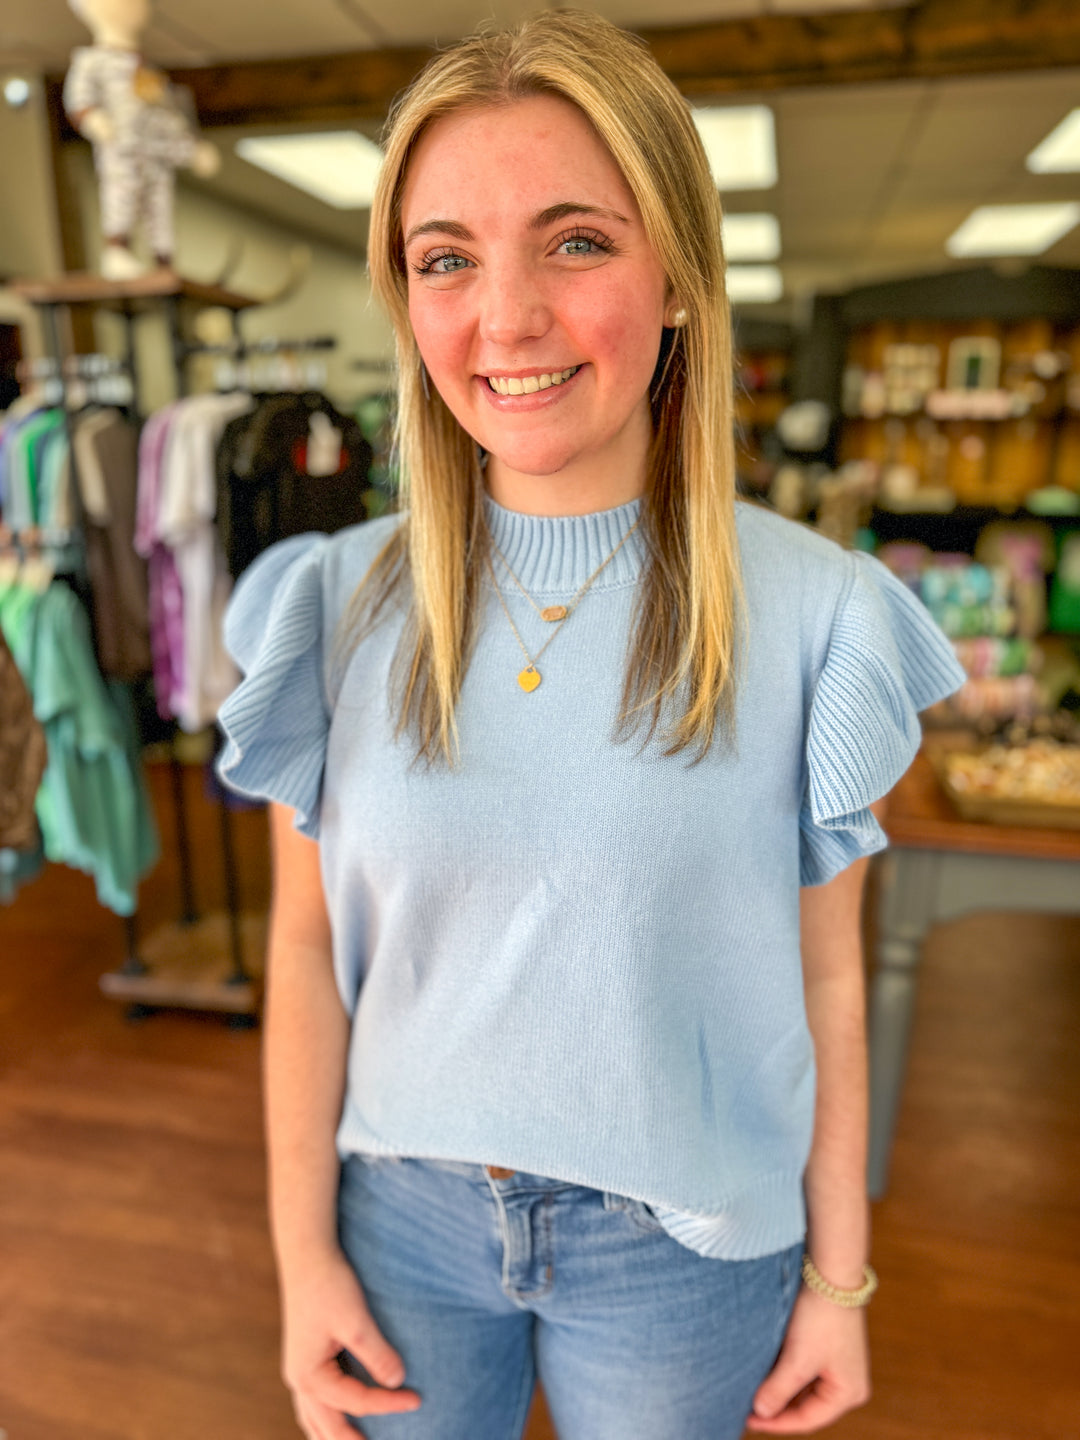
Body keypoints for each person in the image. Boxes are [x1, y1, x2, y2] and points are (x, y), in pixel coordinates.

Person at [216, 12, 965, 1440]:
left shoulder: (818, 613)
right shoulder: (328, 605)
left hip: (684, 1254)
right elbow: (307, 949)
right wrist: (301, 1255)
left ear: (679, 272)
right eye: (447, 259)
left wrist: (842, 1284)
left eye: (574, 242)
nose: (505, 318)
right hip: (403, 1223)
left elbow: (825, 979)